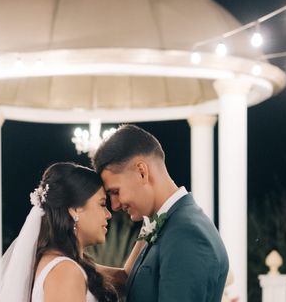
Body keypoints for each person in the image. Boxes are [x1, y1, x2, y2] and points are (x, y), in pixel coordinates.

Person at [92, 124, 229, 302]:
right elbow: (128, 279)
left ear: (142, 172)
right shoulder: (163, 222)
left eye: (115, 192)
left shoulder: (187, 234)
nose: (115, 206)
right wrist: (73, 263)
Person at [0, 162, 143, 302]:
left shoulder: (63, 262)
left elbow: (125, 278)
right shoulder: (65, 271)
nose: (108, 214)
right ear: (75, 209)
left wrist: (151, 221)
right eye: (102, 204)